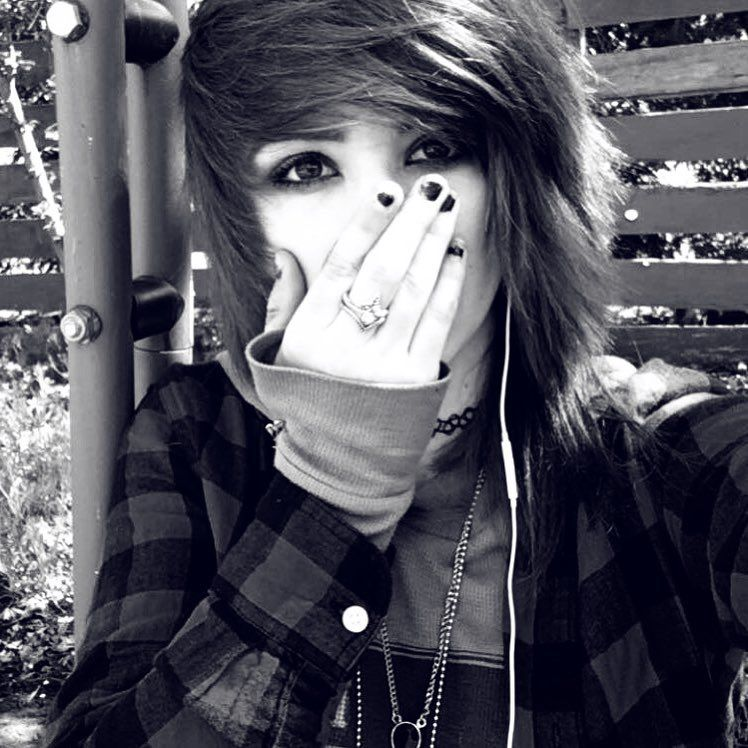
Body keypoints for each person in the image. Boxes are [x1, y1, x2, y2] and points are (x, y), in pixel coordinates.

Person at [44, 0, 748, 745]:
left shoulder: (664, 457)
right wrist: (332, 483)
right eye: (306, 167)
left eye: (433, 147)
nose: (381, 218)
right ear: (244, 221)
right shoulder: (194, 437)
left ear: (517, 183)